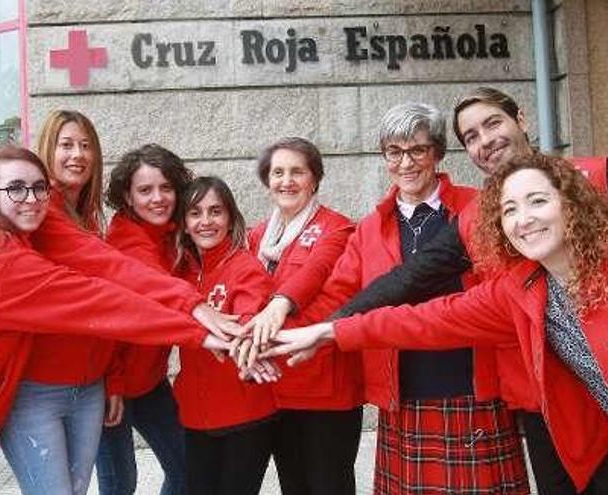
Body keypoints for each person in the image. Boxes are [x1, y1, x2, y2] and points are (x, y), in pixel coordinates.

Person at [269, 153, 608, 494]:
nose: (524, 219)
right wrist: (330, 331)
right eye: (509, 210)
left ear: (572, 205)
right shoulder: (525, 289)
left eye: (537, 201)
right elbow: (427, 320)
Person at [0, 146, 225, 495]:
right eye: (16, 189)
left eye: (38, 188)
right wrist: (197, 331)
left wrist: (191, 308)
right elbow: (97, 301)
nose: (31, 199)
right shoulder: (1, 261)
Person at [332, 87, 608, 494]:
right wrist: (329, 326)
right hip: (536, 391)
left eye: (492, 123)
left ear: (521, 119)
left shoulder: (588, 177)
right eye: (472, 137)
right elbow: (412, 280)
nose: (485, 141)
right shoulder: (472, 217)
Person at [251, 103, 528, 493]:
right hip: (401, 392)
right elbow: (339, 294)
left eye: (417, 150)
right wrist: (282, 338)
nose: (406, 163)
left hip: (473, 387)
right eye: (394, 152)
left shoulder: (476, 207)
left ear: (437, 153)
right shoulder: (369, 227)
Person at [0, 110, 241, 495]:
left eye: (84, 145)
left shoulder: (112, 222)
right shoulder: (61, 218)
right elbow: (120, 283)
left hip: (128, 380)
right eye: (66, 144)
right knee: (117, 483)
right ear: (127, 196)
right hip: (92, 381)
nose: (77, 154)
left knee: (179, 470)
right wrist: (195, 310)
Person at [247, 137, 362, 495]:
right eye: (278, 172)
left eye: (298, 171)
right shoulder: (256, 237)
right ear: (267, 182)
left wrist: (270, 331)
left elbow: (328, 290)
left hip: (326, 386)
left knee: (330, 486)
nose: (287, 181)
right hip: (276, 388)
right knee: (293, 485)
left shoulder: (338, 228)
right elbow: (246, 295)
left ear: (315, 179)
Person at [95, 145, 194, 495]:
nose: (158, 198)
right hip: (108, 384)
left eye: (166, 188)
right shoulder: (126, 246)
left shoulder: (172, 236)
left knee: (187, 469)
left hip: (149, 381)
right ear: (127, 196)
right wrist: (114, 385)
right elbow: (107, 328)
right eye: (145, 190)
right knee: (120, 484)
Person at [174, 176, 278, 495]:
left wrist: (244, 340)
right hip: (193, 413)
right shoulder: (180, 273)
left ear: (230, 217)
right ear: (184, 223)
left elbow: (249, 313)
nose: (206, 221)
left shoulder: (244, 267)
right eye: (195, 213)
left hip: (245, 415)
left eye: (216, 211)